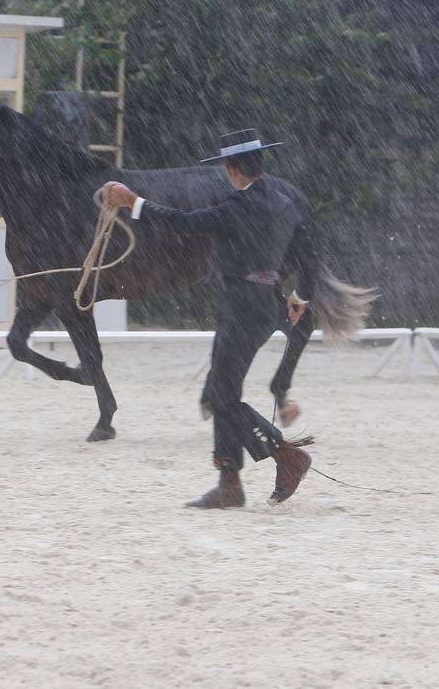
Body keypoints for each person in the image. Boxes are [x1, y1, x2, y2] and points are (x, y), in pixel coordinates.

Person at [104, 129, 315, 509]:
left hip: (240, 306)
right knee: (222, 390)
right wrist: (301, 296)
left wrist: (132, 201)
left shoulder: (235, 208)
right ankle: (229, 482)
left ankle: (285, 456)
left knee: (222, 395)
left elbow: (181, 223)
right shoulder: (285, 204)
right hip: (267, 302)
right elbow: (309, 253)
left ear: (232, 169)